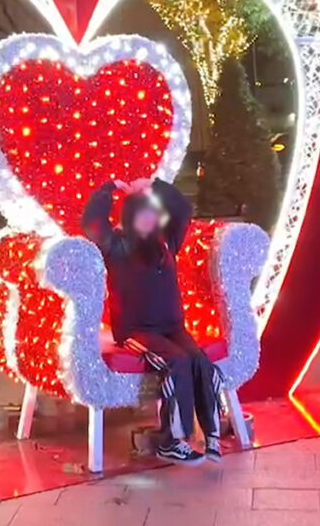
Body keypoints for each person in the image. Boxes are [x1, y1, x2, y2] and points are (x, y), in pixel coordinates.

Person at [83, 177, 222, 466]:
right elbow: (92, 223)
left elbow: (182, 208)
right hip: (136, 331)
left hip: (172, 327)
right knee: (177, 361)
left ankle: (211, 434)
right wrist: (109, 189)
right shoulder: (117, 246)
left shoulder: (166, 243)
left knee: (198, 360)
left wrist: (154, 184)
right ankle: (170, 440)